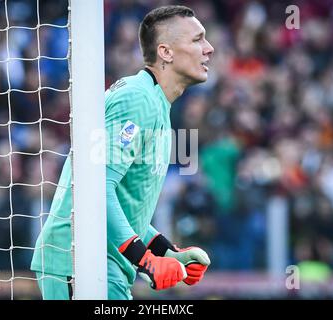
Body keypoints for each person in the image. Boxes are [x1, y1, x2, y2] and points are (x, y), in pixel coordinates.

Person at [30, 5, 214, 300]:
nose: (209, 48)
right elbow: (96, 186)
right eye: (197, 39)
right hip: (78, 260)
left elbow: (125, 205)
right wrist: (146, 260)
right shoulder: (136, 98)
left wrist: (166, 251)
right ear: (165, 52)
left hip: (103, 264)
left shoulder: (155, 104)